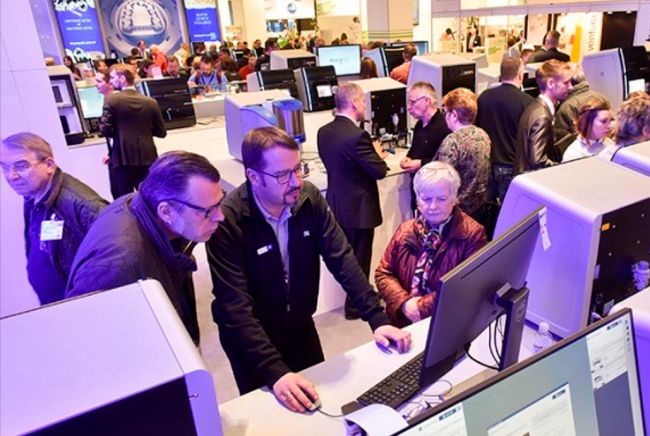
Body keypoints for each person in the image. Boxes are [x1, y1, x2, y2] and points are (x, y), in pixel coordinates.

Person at [206, 127, 411, 412]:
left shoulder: (308, 198)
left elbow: (342, 258)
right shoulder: (228, 220)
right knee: (271, 416)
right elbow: (235, 307)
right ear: (253, 177)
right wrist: (275, 372)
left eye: (298, 169)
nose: (296, 181)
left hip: (300, 325)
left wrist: (378, 318)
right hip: (251, 338)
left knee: (318, 404)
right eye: (282, 175)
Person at [67, 151, 225, 345]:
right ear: (166, 211)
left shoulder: (143, 207)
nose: (220, 216)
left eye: (220, 203)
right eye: (208, 211)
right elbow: (85, 336)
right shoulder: (120, 263)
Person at [0, 132, 107, 305]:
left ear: (49, 165)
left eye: (21, 166)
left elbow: (112, 264)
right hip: (56, 304)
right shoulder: (32, 195)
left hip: (78, 306)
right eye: (5, 167)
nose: (11, 176)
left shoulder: (83, 205)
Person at [376, 161, 487, 327]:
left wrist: (421, 308)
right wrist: (404, 303)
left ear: (454, 199)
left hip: (444, 324)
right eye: (426, 199)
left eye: (441, 199)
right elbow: (383, 273)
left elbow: (467, 287)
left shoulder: (471, 234)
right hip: (402, 321)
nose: (433, 206)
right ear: (417, 200)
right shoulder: (405, 230)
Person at [317, 83, 389, 319]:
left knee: (348, 258)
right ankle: (356, 305)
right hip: (360, 208)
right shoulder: (358, 136)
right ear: (354, 102)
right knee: (360, 258)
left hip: (337, 204)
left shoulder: (324, 132)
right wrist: (377, 154)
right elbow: (379, 171)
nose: (365, 106)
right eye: (363, 101)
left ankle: (358, 299)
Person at [100, 64, 167, 199]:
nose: (111, 81)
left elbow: (105, 129)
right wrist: (144, 129)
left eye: (113, 78)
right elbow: (161, 132)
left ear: (122, 79)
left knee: (123, 200)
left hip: (121, 158)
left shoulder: (111, 99)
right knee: (150, 198)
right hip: (148, 156)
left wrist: (119, 133)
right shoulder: (151, 102)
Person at [476, 57, 534, 203]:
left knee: (486, 208)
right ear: (520, 75)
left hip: (487, 163)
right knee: (507, 210)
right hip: (510, 165)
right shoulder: (527, 102)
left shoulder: (484, 97)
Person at [434, 88, 490, 220]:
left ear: (454, 115)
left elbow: (442, 180)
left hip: (456, 211)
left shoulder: (453, 141)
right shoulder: (483, 134)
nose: (444, 116)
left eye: (445, 112)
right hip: (478, 208)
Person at [514, 60, 573, 174]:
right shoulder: (542, 117)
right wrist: (562, 168)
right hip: (532, 179)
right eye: (566, 83)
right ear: (550, 83)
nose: (570, 87)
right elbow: (538, 161)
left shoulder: (535, 107)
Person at [401, 82, 451, 210]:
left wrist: (421, 163)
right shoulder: (419, 125)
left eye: (412, 102)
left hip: (435, 193)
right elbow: (415, 149)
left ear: (427, 101)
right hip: (419, 188)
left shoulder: (443, 126)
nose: (408, 107)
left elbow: (446, 162)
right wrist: (408, 158)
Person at [554, 66, 607, 155]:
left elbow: (562, 145)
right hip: (604, 152)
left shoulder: (566, 108)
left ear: (569, 82)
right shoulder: (601, 97)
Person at [562, 97, 615, 162]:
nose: (610, 126)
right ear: (588, 123)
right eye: (603, 121)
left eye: (611, 120)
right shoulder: (574, 154)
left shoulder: (610, 145)